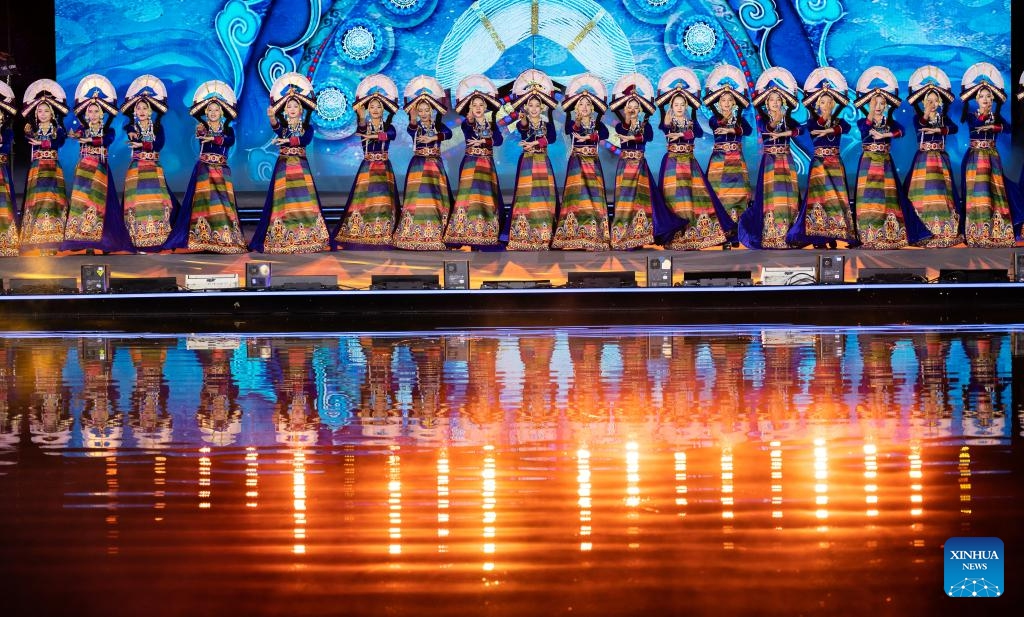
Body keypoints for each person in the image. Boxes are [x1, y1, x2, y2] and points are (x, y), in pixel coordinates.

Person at [161, 80, 247, 253]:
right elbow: (200, 135)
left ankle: (224, 237)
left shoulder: (228, 130)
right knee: (204, 203)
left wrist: (214, 138)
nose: (213, 113)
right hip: (205, 170)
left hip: (221, 170)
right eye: (210, 110)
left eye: (216, 110)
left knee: (222, 203)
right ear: (206, 112)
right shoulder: (202, 127)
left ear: (222, 112)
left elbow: (229, 141)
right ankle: (203, 237)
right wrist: (204, 133)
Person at [249, 72, 330, 253]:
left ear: (301, 110)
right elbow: (276, 127)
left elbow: (305, 140)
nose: (292, 109)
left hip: (300, 166)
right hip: (284, 167)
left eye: (295, 106)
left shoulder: (307, 128)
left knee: (304, 199)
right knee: (283, 200)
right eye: (289, 106)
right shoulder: (284, 128)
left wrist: (288, 141)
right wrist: (272, 117)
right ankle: (282, 234)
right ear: (285, 110)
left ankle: (309, 234)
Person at [852, 66, 930, 249]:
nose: (879, 107)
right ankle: (868, 235)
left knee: (888, 197)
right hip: (868, 162)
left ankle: (889, 232)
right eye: (875, 103)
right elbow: (865, 129)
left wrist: (885, 135)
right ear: (869, 104)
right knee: (868, 197)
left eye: (882, 103)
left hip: (885, 162)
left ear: (886, 105)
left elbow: (901, 131)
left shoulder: (890, 123)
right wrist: (871, 114)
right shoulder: (863, 121)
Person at [655, 67, 730, 250]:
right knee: (674, 199)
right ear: (672, 107)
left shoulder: (691, 122)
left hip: (689, 163)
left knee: (694, 197)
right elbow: (665, 128)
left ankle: (694, 236)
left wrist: (682, 133)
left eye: (682, 104)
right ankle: (676, 238)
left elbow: (696, 133)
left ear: (687, 106)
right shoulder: (667, 122)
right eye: (676, 105)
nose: (680, 108)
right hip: (672, 163)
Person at [60, 74, 133, 254]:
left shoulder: (109, 130)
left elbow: (106, 140)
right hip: (84, 171)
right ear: (86, 114)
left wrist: (89, 139)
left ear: (102, 113)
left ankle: (105, 242)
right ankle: (82, 241)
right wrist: (75, 135)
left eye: (96, 111)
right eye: (90, 111)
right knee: (81, 203)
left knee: (102, 205)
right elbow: (76, 135)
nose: (92, 114)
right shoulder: (82, 129)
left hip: (100, 171)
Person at [608, 73, 681, 249]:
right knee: (625, 201)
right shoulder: (620, 125)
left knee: (641, 201)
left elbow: (647, 137)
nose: (632, 109)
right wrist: (627, 122)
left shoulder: (645, 126)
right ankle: (622, 236)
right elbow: (623, 131)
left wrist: (631, 138)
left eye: (635, 107)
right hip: (625, 167)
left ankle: (640, 235)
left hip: (640, 167)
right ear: (625, 109)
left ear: (640, 109)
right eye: (629, 107)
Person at [788, 67, 857, 248]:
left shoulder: (839, 122)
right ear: (818, 105)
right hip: (819, 164)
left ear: (833, 104)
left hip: (835, 164)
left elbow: (846, 128)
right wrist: (826, 124)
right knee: (819, 200)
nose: (826, 105)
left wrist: (829, 128)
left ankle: (833, 235)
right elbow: (813, 130)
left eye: (829, 102)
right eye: (823, 102)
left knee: (836, 199)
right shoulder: (812, 122)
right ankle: (818, 238)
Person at [332, 74, 401, 248]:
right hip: (368, 167)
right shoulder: (364, 126)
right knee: (364, 200)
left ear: (384, 109)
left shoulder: (389, 127)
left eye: (379, 106)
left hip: (384, 167)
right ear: (368, 109)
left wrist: (375, 136)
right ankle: (363, 232)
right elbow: (362, 128)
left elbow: (391, 135)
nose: (375, 109)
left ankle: (385, 233)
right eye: (372, 106)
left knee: (384, 200)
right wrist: (361, 117)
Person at [739, 67, 801, 249]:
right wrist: (778, 120)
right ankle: (771, 233)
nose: (775, 102)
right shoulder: (763, 119)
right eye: (772, 99)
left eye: (778, 99)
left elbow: (800, 130)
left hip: (786, 160)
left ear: (783, 102)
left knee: (788, 195)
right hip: (770, 162)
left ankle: (788, 232)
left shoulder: (787, 119)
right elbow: (768, 129)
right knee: (771, 196)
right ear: (766, 102)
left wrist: (787, 131)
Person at [392, 75, 453, 250]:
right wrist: (412, 119)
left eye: (427, 110)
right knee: (417, 198)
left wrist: (434, 137)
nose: (424, 113)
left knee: (436, 197)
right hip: (418, 164)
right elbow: (411, 129)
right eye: (421, 110)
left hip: (435, 164)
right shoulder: (415, 126)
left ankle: (438, 232)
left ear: (432, 110)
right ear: (417, 112)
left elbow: (448, 134)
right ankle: (413, 232)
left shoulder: (438, 126)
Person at [444, 74, 504, 248]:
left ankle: (486, 230)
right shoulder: (467, 123)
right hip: (471, 163)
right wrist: (470, 117)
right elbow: (468, 127)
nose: (478, 108)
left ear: (485, 107)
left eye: (480, 105)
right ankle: (464, 232)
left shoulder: (492, 124)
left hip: (487, 164)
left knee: (486, 198)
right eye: (474, 105)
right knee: (468, 199)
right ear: (470, 107)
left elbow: (498, 141)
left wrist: (484, 140)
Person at [959, 62, 1016, 247]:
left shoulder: (996, 117)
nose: (985, 99)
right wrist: (986, 118)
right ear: (976, 99)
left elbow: (1009, 128)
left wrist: (995, 126)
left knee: (994, 192)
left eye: (988, 96)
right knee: (978, 193)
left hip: (992, 157)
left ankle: (995, 231)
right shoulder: (971, 115)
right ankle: (976, 233)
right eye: (982, 96)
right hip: (975, 157)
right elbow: (975, 125)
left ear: (992, 99)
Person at [904, 66, 961, 247]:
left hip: (940, 158)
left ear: (940, 102)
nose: (932, 103)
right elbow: (920, 125)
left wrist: (938, 130)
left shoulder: (943, 119)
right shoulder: (918, 118)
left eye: (935, 101)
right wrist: (927, 113)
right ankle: (923, 229)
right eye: (929, 101)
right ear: (923, 103)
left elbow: (954, 128)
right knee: (924, 192)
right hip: (924, 159)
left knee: (941, 191)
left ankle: (943, 228)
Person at [552, 73, 611, 250]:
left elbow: (606, 134)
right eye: (581, 104)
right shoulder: (572, 122)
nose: (584, 107)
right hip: (577, 163)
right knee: (576, 198)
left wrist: (591, 136)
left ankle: (595, 235)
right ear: (576, 107)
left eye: (587, 104)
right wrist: (577, 123)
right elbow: (570, 130)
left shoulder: (597, 123)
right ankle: (573, 235)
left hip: (592, 163)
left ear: (592, 107)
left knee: (593, 198)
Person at [120, 75, 179, 250]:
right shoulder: (132, 128)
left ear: (151, 111)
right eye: (138, 108)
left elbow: (159, 144)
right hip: (137, 169)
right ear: (134, 111)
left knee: (158, 201)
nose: (142, 111)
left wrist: (142, 144)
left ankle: (159, 237)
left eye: (145, 108)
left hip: (153, 168)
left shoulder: (158, 128)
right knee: (136, 203)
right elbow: (129, 130)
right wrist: (133, 135)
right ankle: (137, 238)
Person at [504, 69, 559, 251]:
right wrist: (523, 120)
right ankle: (523, 235)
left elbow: (551, 138)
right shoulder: (523, 123)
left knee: (544, 196)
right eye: (531, 105)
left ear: (542, 107)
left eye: (537, 105)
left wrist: (535, 142)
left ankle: (545, 234)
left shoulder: (548, 124)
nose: (534, 108)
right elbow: (523, 127)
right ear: (526, 107)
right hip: (528, 162)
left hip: (543, 162)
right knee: (526, 197)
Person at [702, 65, 753, 247]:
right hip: (719, 161)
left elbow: (748, 131)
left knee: (739, 196)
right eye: (723, 100)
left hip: (736, 160)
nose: (726, 103)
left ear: (734, 103)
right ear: (718, 102)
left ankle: (737, 233)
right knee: (719, 195)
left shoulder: (739, 119)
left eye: (730, 100)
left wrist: (733, 129)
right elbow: (718, 124)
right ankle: (723, 234)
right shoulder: (714, 119)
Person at [18, 79, 69, 255]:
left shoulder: (58, 129)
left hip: (53, 169)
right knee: (37, 202)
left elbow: (59, 142)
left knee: (54, 201)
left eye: (46, 110)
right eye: (39, 111)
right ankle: (37, 240)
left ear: (52, 113)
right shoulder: (31, 129)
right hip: (37, 169)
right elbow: (27, 138)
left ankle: (54, 242)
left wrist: (43, 143)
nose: (43, 114)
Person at [0, 82, 18, 256]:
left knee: (3, 205)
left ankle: (5, 243)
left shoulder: (7, 133)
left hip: (1, 173)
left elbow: (5, 149)